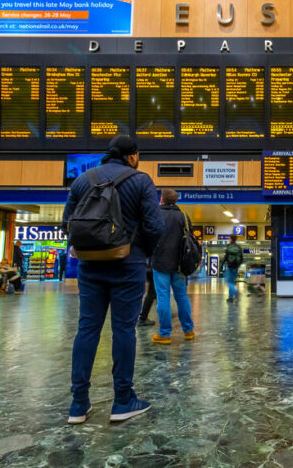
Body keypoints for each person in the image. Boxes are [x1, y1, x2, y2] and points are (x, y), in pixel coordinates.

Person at [62, 135, 165, 425]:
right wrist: (140, 250)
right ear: (132, 156)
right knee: (123, 329)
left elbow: (66, 222)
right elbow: (155, 226)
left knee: (87, 330)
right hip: (127, 264)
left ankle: (78, 403)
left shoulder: (83, 179)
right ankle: (123, 400)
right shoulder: (141, 180)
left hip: (89, 265)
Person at [149, 189, 195, 345]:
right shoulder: (184, 216)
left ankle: (165, 334)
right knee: (181, 296)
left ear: (161, 199)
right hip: (180, 265)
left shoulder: (155, 215)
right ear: (176, 201)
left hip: (160, 263)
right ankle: (188, 331)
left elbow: (148, 236)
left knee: (163, 297)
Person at [221, 234, 243, 302]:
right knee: (232, 282)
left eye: (229, 238)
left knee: (229, 282)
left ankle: (236, 292)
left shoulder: (229, 246)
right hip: (236, 267)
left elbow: (226, 257)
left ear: (231, 239)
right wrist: (239, 264)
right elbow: (242, 258)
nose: (228, 239)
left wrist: (221, 265)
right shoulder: (238, 247)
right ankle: (230, 297)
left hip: (230, 266)